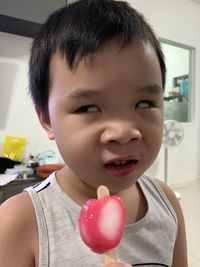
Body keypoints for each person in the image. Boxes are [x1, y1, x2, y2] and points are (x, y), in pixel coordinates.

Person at [0, 0, 188, 266]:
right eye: (88, 107)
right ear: (46, 119)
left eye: (144, 103)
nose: (123, 132)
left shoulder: (166, 203)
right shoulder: (18, 223)